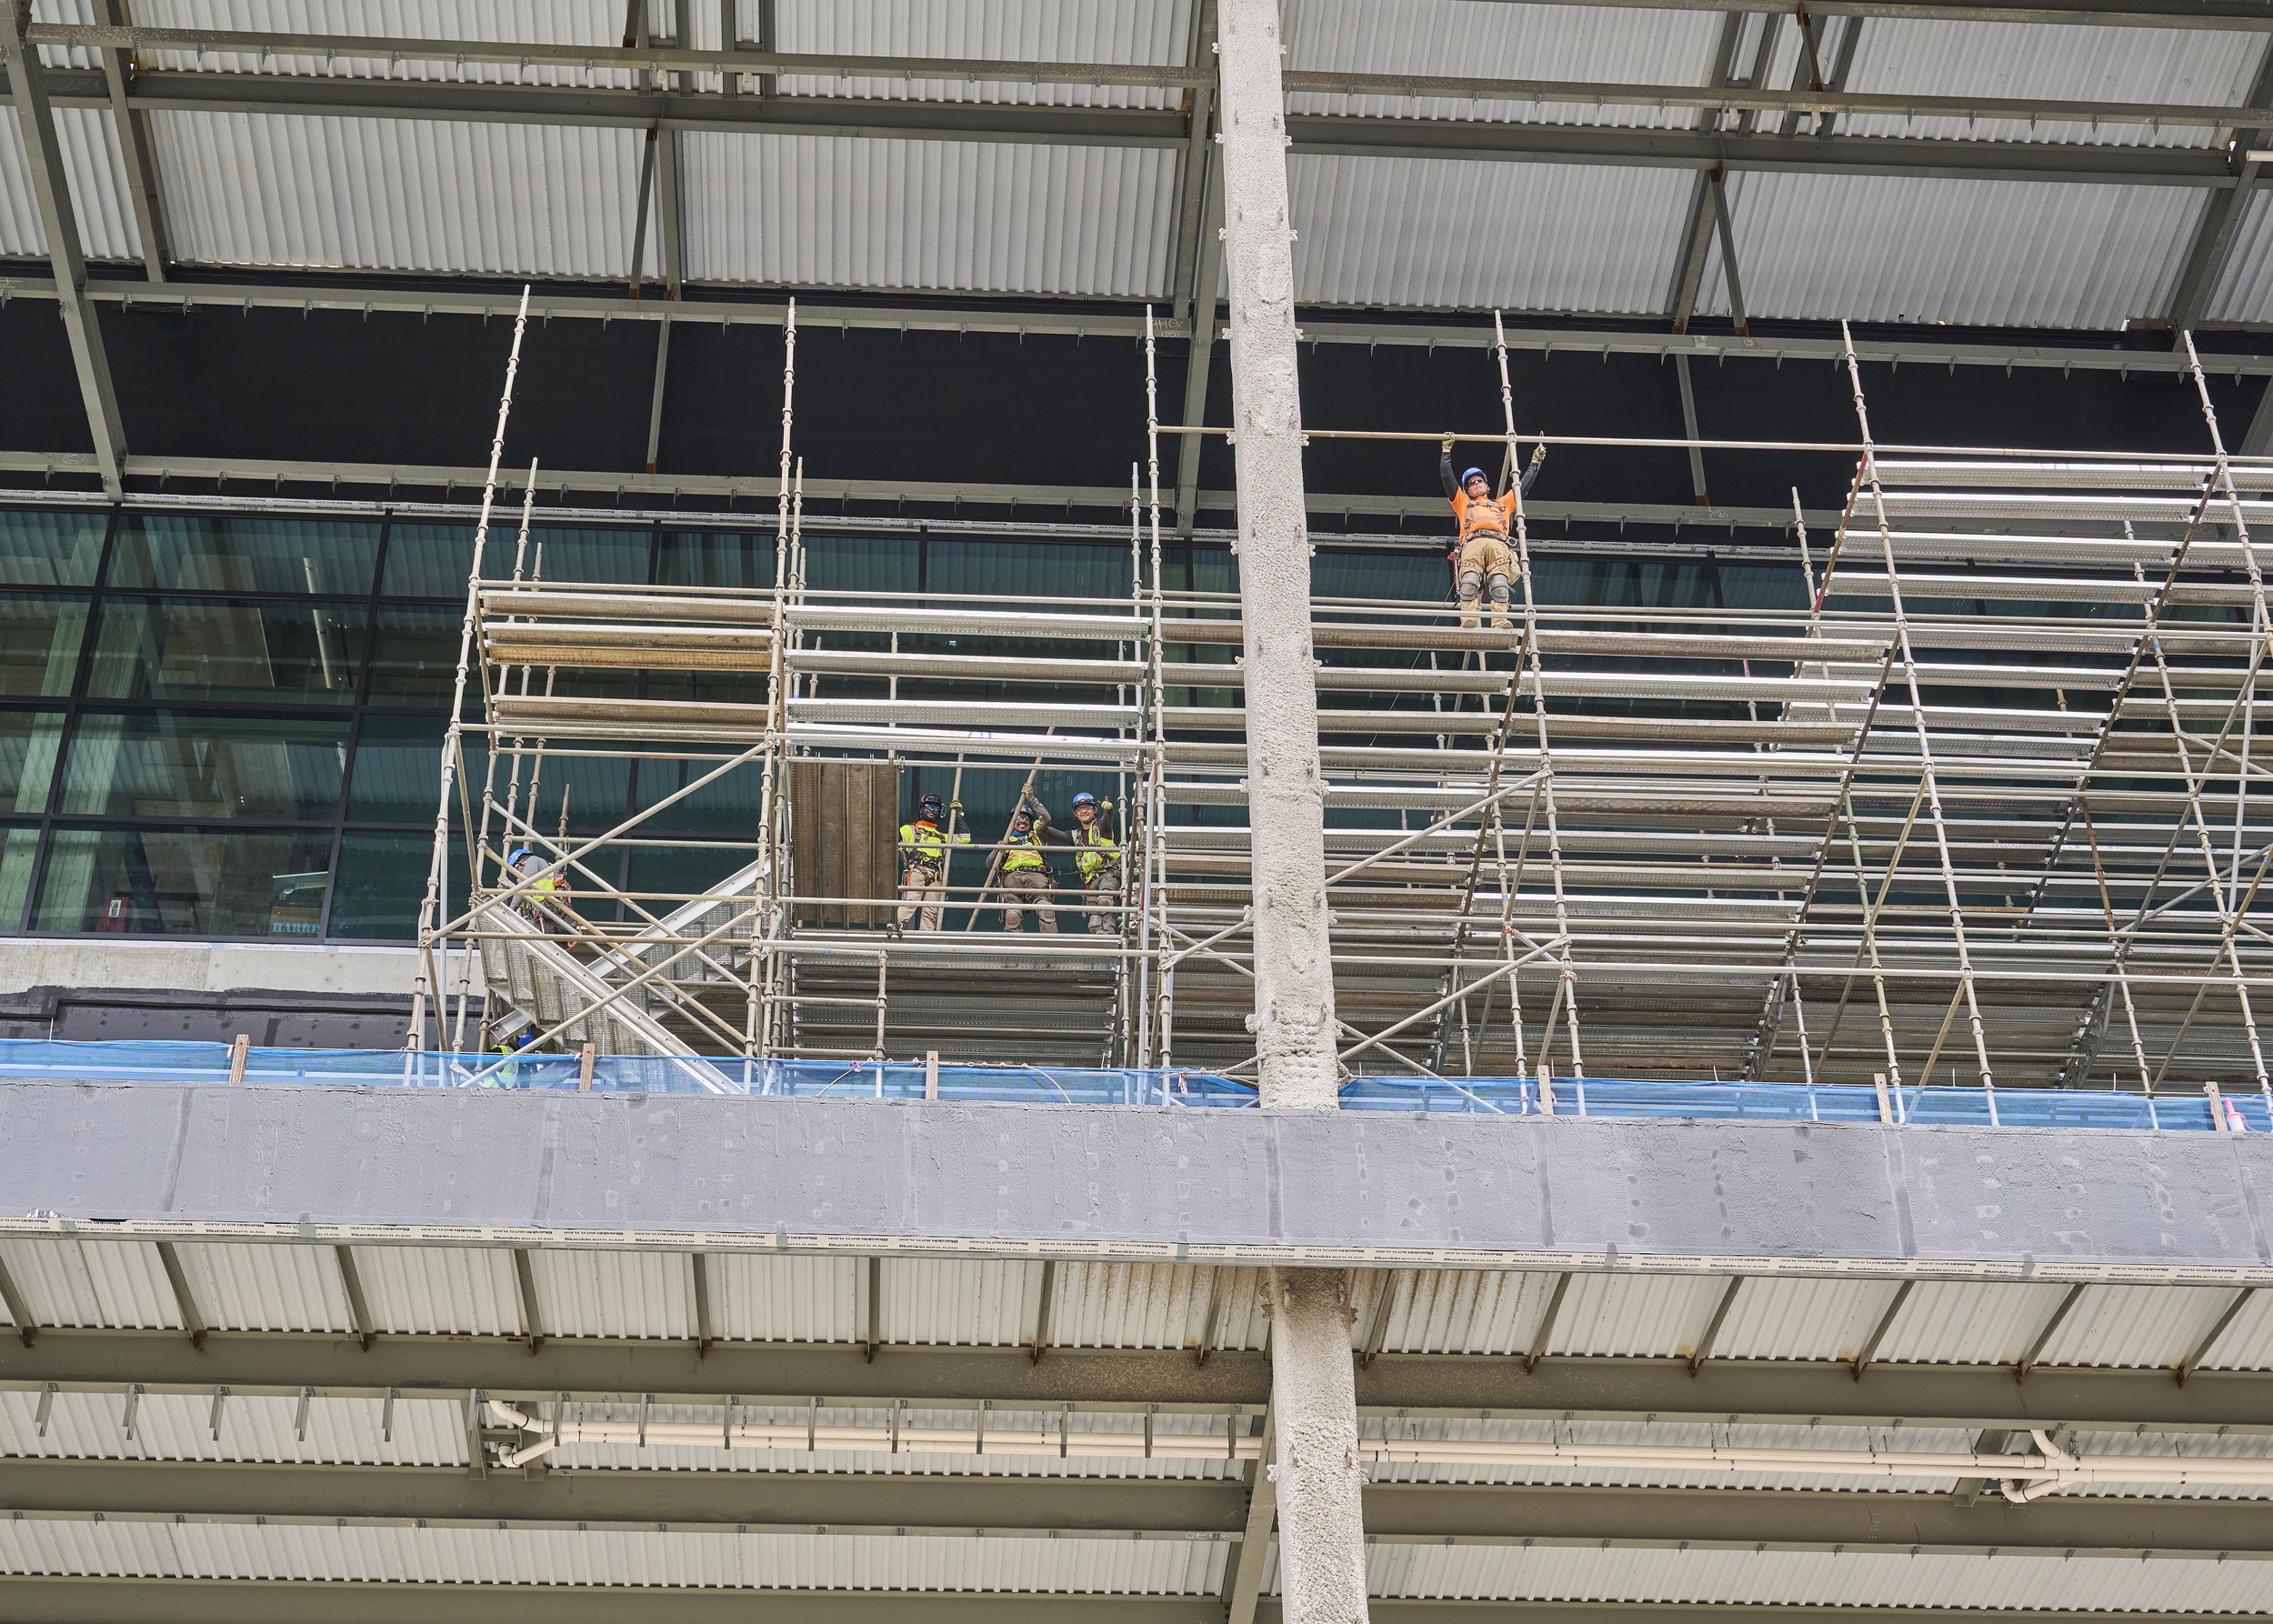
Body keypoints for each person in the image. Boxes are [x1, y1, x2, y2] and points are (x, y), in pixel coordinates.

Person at [1439, 437, 1547, 631]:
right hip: (1474, 543)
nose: (1476, 483)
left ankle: (1499, 621)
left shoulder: (1502, 504)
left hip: (1499, 544)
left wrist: (1535, 462)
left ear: (1487, 485)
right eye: (1471, 483)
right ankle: (1469, 619)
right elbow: (1448, 478)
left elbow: (1522, 487)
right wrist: (1446, 451)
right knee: (1469, 581)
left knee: (1500, 585)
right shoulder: (1463, 503)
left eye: (1480, 480)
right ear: (1467, 489)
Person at [1034, 790, 1121, 935]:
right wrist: (1042, 828)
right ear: (1075, 814)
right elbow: (1054, 834)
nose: (1084, 811)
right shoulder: (1075, 836)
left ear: (1095, 810)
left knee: (1105, 900)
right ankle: (1099, 947)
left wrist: (1110, 810)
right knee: (1093, 924)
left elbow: (1108, 818)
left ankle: (1109, 934)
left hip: (1108, 874)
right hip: (1090, 880)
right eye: (1080, 809)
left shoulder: (1102, 827)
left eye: (1087, 808)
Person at [896, 792, 968, 933]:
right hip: (917, 870)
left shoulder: (943, 837)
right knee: (911, 900)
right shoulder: (910, 829)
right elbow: (891, 836)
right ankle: (896, 928)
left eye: (936, 808)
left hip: (935, 875)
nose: (932, 810)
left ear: (940, 812)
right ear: (921, 808)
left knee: (931, 910)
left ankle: (926, 937)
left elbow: (965, 839)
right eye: (928, 806)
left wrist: (959, 816)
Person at [994, 799, 1058, 934]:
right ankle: (1014, 952)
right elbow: (989, 863)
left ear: (1030, 822)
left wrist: (1033, 800)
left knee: (1047, 911)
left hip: (1036, 877)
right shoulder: (1006, 841)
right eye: (1018, 817)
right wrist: (997, 850)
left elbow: (1046, 818)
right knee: (1012, 916)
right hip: (1012, 879)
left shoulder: (1037, 836)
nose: (1022, 820)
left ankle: (1052, 949)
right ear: (1012, 822)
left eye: (1026, 818)